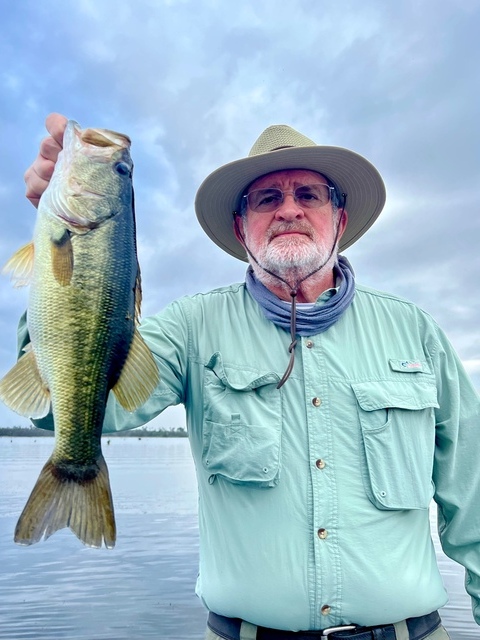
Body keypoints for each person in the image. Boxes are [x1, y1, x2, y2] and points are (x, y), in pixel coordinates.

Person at [22, 114, 480, 640]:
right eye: (266, 199)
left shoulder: (415, 331)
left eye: (309, 194)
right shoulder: (190, 329)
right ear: (242, 227)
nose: (289, 209)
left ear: (341, 218)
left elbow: (473, 496)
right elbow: (67, 408)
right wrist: (58, 249)